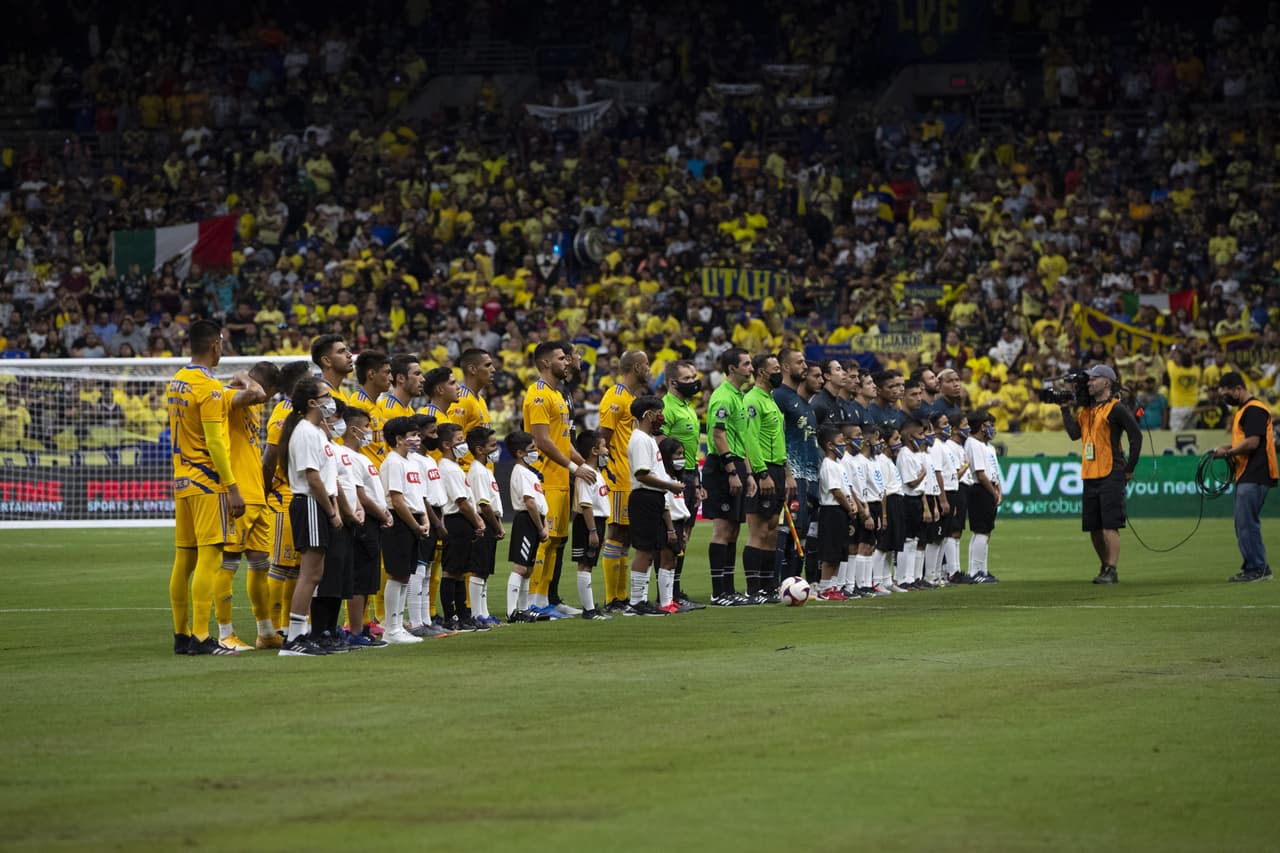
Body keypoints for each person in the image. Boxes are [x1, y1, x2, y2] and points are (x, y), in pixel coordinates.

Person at [167, 319, 250, 656]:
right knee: (210, 556)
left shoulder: (177, 382)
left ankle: (181, 635)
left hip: (182, 480)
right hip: (207, 482)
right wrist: (231, 486)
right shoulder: (209, 386)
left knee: (183, 560)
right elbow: (215, 441)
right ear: (215, 344)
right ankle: (202, 637)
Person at [522, 342, 596, 618]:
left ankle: (544, 601)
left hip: (561, 477)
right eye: (561, 358)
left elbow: (563, 442)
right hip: (546, 477)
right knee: (545, 540)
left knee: (556, 542)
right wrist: (573, 467)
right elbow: (542, 440)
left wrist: (581, 464)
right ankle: (532, 601)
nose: (567, 362)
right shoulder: (538, 395)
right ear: (545, 363)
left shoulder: (557, 395)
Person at [277, 376, 342, 656]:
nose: (332, 399)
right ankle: (294, 638)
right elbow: (313, 478)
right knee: (310, 573)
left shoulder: (316, 431)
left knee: (315, 573)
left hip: (317, 503)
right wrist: (331, 511)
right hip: (311, 504)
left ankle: (302, 633)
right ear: (313, 402)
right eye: (326, 395)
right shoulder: (304, 431)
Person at [1060, 364, 1143, 584]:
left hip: (1111, 471)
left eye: (1093, 379)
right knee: (1094, 527)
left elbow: (1136, 436)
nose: (1088, 383)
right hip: (1090, 473)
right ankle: (1105, 565)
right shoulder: (1087, 411)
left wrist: (1129, 468)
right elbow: (1073, 434)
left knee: (1110, 524)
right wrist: (1064, 409)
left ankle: (1112, 569)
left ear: (1106, 382)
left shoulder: (1116, 408)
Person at [214, 361, 277, 651]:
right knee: (227, 565)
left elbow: (258, 397)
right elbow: (256, 394)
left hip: (257, 496)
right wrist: (242, 376)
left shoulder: (254, 406)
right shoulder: (231, 398)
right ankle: (225, 633)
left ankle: (265, 632)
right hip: (237, 495)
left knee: (260, 566)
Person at [261, 361, 314, 635]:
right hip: (283, 497)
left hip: (299, 496)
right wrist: (266, 490)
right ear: (298, 384)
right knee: (280, 565)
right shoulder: (283, 413)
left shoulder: (302, 412)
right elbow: (269, 458)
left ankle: (286, 626)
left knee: (295, 568)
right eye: (309, 378)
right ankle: (268, 629)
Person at [702, 347, 757, 605]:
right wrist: (732, 471)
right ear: (732, 368)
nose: (751, 368)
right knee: (722, 528)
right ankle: (718, 592)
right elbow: (718, 435)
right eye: (746, 364)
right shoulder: (722, 396)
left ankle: (729, 589)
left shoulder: (739, 396)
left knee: (734, 529)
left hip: (737, 463)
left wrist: (748, 474)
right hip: (722, 466)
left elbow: (741, 437)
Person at [598, 350, 651, 613]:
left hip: (630, 476)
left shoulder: (631, 398)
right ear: (638, 367)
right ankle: (612, 598)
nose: (650, 370)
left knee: (626, 536)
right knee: (616, 531)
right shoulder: (615, 397)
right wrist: (607, 472)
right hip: (618, 477)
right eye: (647, 365)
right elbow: (602, 438)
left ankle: (620, 596)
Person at [1213, 372, 1277, 582]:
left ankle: (1256, 568)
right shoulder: (1245, 410)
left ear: (1238, 388)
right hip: (1248, 473)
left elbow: (1253, 443)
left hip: (1256, 472)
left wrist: (1229, 453)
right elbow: (1246, 441)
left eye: (1226, 394)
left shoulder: (1254, 409)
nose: (1225, 399)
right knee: (1244, 522)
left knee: (1246, 522)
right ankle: (1257, 567)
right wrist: (1229, 447)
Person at [742, 354, 794, 602]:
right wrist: (761, 473)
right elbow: (750, 439)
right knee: (759, 531)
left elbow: (779, 441)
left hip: (777, 469)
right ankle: (754, 589)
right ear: (762, 373)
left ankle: (769, 586)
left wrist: (786, 473)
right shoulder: (752, 400)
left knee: (773, 530)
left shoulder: (770, 400)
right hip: (764, 470)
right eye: (775, 369)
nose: (779, 374)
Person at [625, 395, 683, 615]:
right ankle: (636, 602)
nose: (662, 417)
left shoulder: (647, 438)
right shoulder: (639, 439)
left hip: (653, 498)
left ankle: (640, 601)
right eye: (659, 412)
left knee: (651, 551)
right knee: (644, 551)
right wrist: (669, 485)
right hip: (644, 498)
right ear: (648, 414)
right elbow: (642, 474)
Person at [341, 404, 392, 647]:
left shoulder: (362, 457)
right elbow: (360, 493)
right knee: (360, 578)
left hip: (374, 519)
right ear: (353, 429)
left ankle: (360, 628)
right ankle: (355, 631)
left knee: (368, 577)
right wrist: (382, 515)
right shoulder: (347, 456)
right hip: (364, 519)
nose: (370, 432)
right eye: (365, 427)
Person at [378, 416, 429, 644]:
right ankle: (392, 627)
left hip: (414, 520)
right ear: (398, 439)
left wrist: (424, 519)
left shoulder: (411, 462)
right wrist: (415, 525)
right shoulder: (393, 462)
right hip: (400, 522)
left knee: (406, 575)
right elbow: (397, 500)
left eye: (418, 435)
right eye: (412, 436)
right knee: (397, 574)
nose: (417, 440)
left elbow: (418, 496)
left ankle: (399, 624)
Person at [773, 348, 821, 586]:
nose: (804, 365)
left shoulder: (804, 403)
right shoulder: (779, 397)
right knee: (784, 531)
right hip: (791, 475)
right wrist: (786, 473)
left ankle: (794, 583)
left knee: (800, 530)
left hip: (808, 476)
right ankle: (776, 584)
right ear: (785, 367)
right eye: (799, 362)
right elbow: (775, 436)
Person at [660, 359, 706, 608]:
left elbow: (690, 449)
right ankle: (667, 594)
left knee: (685, 536)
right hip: (674, 479)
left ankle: (675, 590)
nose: (693, 382)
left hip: (689, 476)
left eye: (694, 377)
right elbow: (661, 444)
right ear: (672, 382)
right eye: (687, 379)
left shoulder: (688, 407)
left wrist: (697, 482)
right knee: (674, 537)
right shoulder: (666, 408)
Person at [504, 430, 549, 623]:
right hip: (526, 520)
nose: (535, 452)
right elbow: (529, 502)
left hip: (534, 519)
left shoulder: (528, 473)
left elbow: (539, 503)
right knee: (521, 567)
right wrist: (540, 527)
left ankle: (523, 609)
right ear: (519, 453)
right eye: (531, 449)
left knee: (529, 567)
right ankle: (512, 611)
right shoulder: (521, 473)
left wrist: (543, 523)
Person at [571, 429, 613, 620]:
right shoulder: (587, 474)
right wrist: (593, 531)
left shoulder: (596, 472)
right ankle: (588, 610)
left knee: (589, 564)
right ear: (594, 450)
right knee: (585, 564)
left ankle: (590, 607)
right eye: (604, 446)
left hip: (596, 521)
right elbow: (586, 505)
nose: (607, 451)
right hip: (588, 522)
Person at [465, 426, 504, 627]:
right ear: (480, 449)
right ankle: (477, 613)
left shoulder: (485, 470)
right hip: (484, 521)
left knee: (485, 570)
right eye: (492, 445)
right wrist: (496, 525)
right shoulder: (478, 471)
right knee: (479, 569)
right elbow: (483, 503)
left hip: (490, 522)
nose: (496, 449)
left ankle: (484, 612)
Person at [815, 424, 857, 599]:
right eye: (840, 442)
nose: (844, 445)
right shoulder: (828, 465)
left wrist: (852, 503)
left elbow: (846, 488)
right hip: (832, 511)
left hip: (842, 511)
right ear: (830, 445)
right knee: (830, 551)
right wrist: (849, 507)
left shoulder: (839, 465)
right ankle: (825, 587)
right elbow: (836, 491)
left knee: (840, 550)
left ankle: (833, 585)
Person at [964, 410, 1002, 584]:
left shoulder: (989, 447)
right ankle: (975, 571)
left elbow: (994, 471)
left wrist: (998, 490)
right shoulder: (973, 443)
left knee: (986, 531)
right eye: (990, 425)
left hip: (990, 489)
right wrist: (993, 492)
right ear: (981, 426)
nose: (993, 429)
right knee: (980, 531)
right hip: (980, 490)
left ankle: (982, 569)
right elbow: (980, 473)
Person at [658, 436, 694, 613]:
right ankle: (665, 602)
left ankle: (670, 599)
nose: (681, 458)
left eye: (682, 454)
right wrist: (671, 529)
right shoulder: (664, 479)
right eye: (677, 454)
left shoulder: (675, 477)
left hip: (679, 523)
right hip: (669, 523)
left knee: (672, 561)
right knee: (666, 560)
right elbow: (666, 505)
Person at [351, 349, 392, 468]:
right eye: (387, 372)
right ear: (371, 374)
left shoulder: (377, 405)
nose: (391, 378)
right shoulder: (358, 404)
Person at [311, 333, 353, 404]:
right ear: (327, 361)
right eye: (341, 351)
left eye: (347, 350)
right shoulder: (321, 397)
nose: (349, 354)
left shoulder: (344, 393)